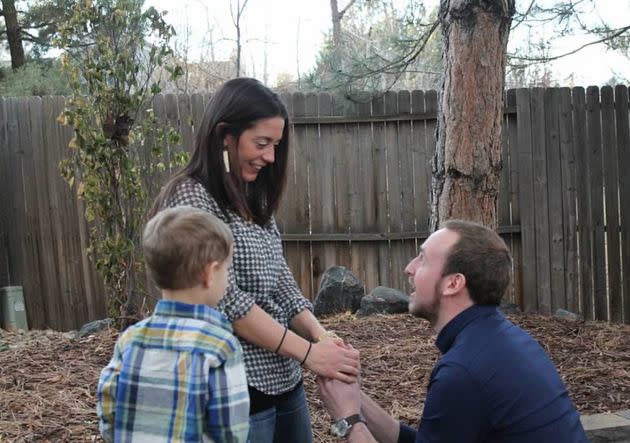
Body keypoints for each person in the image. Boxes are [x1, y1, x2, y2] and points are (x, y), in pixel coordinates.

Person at [152, 77, 360, 443]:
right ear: (224, 136)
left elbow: (281, 281)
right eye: (261, 143)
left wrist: (321, 334)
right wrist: (310, 354)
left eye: (276, 145)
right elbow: (226, 302)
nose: (270, 157)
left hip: (283, 378)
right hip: (234, 385)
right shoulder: (191, 199)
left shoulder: (253, 199)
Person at [317, 220, 589, 443]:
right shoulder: (505, 341)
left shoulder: (463, 372)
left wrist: (349, 420)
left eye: (422, 259)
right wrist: (356, 398)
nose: (408, 268)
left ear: (453, 284)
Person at [96, 206, 249, 442]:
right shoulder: (221, 346)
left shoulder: (130, 340)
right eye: (226, 269)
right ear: (210, 273)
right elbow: (231, 432)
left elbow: (108, 406)